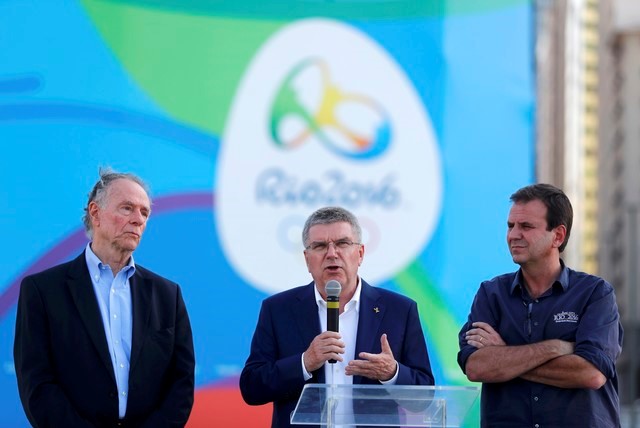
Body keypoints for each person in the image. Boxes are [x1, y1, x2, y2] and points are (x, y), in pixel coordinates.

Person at [14, 168, 195, 427]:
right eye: (127, 208)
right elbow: (37, 383)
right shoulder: (43, 291)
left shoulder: (167, 295)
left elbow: (181, 381)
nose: (138, 219)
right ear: (95, 213)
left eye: (145, 212)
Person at [240, 206, 434, 428]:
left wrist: (392, 373)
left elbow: (424, 397)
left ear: (360, 253)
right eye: (320, 246)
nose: (332, 253)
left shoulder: (399, 310)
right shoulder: (278, 310)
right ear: (307, 259)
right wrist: (305, 362)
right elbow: (252, 388)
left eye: (342, 243)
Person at [458, 183, 623, 427]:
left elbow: (590, 373)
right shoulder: (491, 294)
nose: (514, 235)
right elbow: (476, 367)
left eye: (526, 226)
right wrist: (556, 348)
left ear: (558, 235)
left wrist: (505, 355)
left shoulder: (595, 294)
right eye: (510, 226)